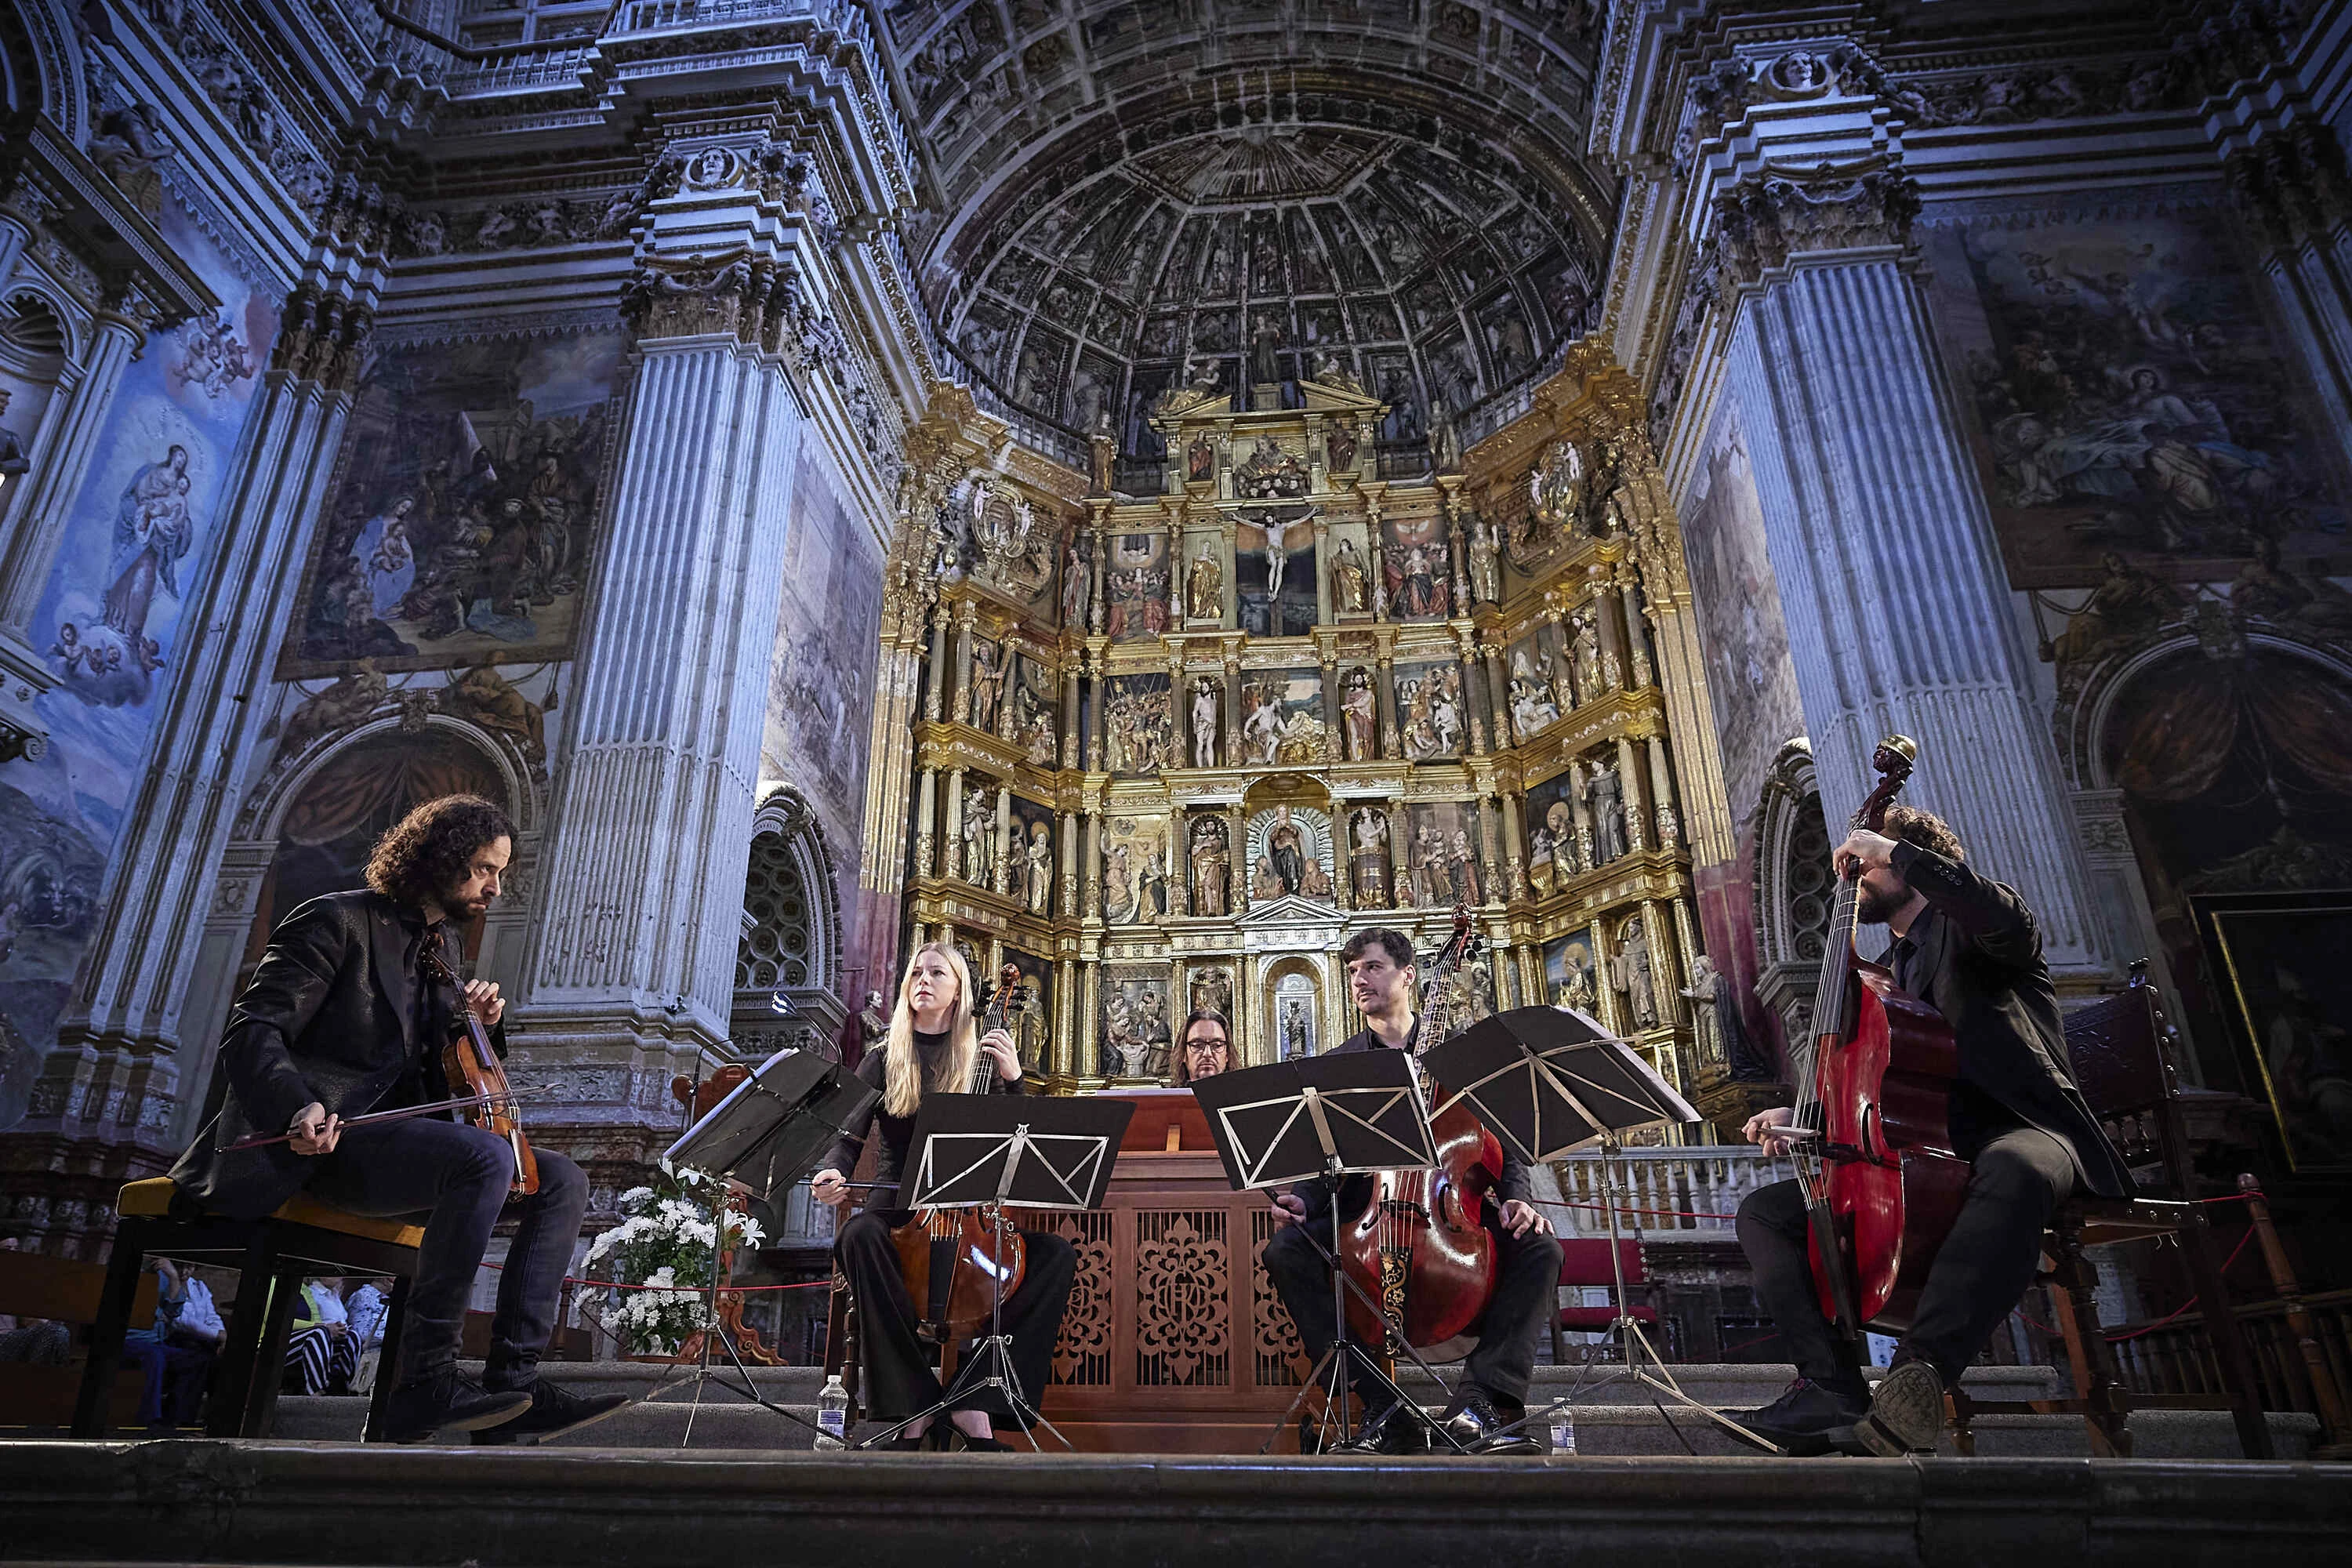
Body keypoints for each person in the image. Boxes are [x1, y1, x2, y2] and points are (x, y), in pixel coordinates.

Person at [168, 794, 630, 1446]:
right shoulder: (334, 921)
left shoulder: (443, 952)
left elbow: (435, 1073)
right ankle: (424, 1384)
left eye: (501, 873)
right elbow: (253, 1030)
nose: (494, 887)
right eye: (482, 868)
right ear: (437, 858)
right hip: (311, 1146)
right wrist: (296, 1105)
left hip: (394, 1147)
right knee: (486, 1158)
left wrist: (479, 1025)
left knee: (558, 1179)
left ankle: (515, 1386)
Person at [1730, 805, 2134, 1457]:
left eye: (1867, 867)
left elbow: (1996, 913)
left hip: (2021, 1126)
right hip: (1922, 1150)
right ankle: (1831, 1385)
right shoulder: (1889, 972)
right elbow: (1884, 1082)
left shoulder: (1984, 929)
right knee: (1767, 1214)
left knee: (2018, 1169)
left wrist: (1895, 849)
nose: (1853, 879)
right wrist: (1801, 1119)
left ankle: (1915, 1381)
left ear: (1909, 860)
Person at [1259, 928, 1561, 1455]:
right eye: (1353, 970)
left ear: (1408, 975)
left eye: (1372, 967)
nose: (1359, 979)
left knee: (1541, 1249)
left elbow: (1505, 1142)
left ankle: (1481, 1402)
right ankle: (1383, 1408)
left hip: (1450, 1212)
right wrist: (1303, 1200)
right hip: (1365, 1217)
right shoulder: (1340, 1065)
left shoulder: (1464, 1058)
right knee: (1285, 1250)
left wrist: (1518, 1198)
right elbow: (1320, 1156)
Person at [811, 943, 1078, 1450]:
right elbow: (847, 1139)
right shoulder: (883, 1058)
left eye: (937, 972)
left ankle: (974, 1402)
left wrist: (1015, 1080)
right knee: (857, 1236)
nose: (923, 979)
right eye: (916, 971)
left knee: (1055, 1258)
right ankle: (914, 1408)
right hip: (895, 1211)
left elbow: (1019, 1144)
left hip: (969, 1216)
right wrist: (832, 1174)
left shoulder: (981, 1057)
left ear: (959, 993)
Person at [1170, 1009, 1232, 1087]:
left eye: (1217, 1045)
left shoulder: (1247, 1098)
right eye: (1197, 1045)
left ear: (1227, 1054)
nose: (1207, 1053)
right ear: (1184, 1054)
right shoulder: (1169, 1098)